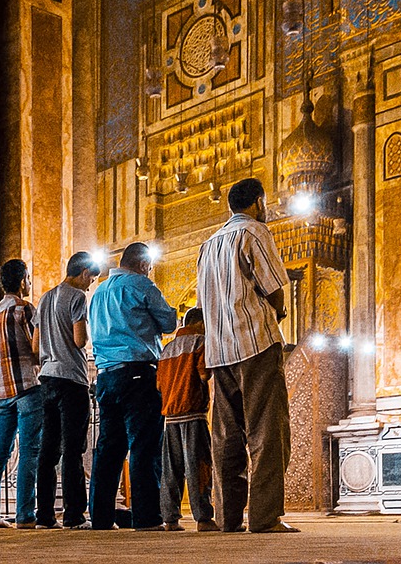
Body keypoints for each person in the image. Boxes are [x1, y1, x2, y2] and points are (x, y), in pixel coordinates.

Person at [196, 177, 296, 534]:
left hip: (220, 350)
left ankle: (227, 517)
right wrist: (280, 313)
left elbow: (201, 304)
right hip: (255, 342)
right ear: (257, 202)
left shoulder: (208, 244)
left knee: (226, 436)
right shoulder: (254, 232)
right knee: (267, 429)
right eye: (265, 203)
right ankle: (265, 518)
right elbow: (274, 287)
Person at [88, 241, 177, 531]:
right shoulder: (141, 285)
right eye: (149, 268)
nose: (149, 272)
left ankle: (101, 518)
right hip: (139, 373)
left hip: (105, 375)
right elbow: (168, 323)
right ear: (142, 265)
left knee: (108, 448)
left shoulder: (99, 291)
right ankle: (147, 517)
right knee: (144, 446)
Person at [36, 251, 99, 529]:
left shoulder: (45, 297)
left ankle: (44, 517)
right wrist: (85, 335)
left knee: (47, 450)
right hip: (71, 379)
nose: (90, 285)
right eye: (91, 279)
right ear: (84, 273)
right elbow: (79, 339)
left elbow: (35, 342)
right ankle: (74, 515)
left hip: (47, 377)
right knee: (73, 448)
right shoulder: (77, 298)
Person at [0, 259, 43, 529]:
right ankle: (25, 515)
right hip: (28, 387)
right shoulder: (24, 309)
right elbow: (36, 348)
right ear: (21, 282)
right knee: (29, 451)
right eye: (28, 278)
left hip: (3, 392)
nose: (29, 283)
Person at [158, 306, 217, 531]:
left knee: (171, 469)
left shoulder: (167, 348)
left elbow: (158, 384)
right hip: (193, 414)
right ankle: (203, 518)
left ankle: (170, 519)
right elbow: (203, 374)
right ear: (201, 323)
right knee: (198, 466)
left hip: (170, 416)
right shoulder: (199, 342)